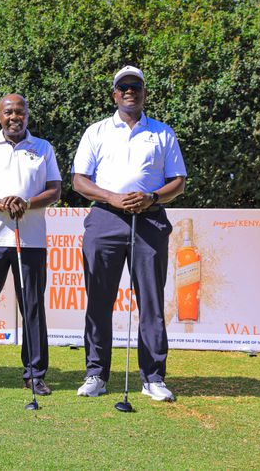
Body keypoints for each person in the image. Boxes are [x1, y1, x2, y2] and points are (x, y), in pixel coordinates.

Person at [71, 65, 187, 402]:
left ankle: (153, 377)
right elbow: (79, 180)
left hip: (149, 220)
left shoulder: (162, 133)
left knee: (150, 302)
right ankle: (96, 374)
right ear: (114, 95)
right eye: (123, 87)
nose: (129, 92)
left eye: (135, 86)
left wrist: (152, 197)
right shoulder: (96, 131)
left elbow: (178, 182)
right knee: (99, 299)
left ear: (144, 93)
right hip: (105, 219)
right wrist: (111, 197)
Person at [0, 94, 61, 394]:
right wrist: (0, 203)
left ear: (27, 115)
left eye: (20, 112)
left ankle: (34, 373)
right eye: (8, 112)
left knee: (32, 307)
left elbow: (54, 190)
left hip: (30, 240)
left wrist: (26, 202)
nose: (14, 117)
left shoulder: (42, 148)